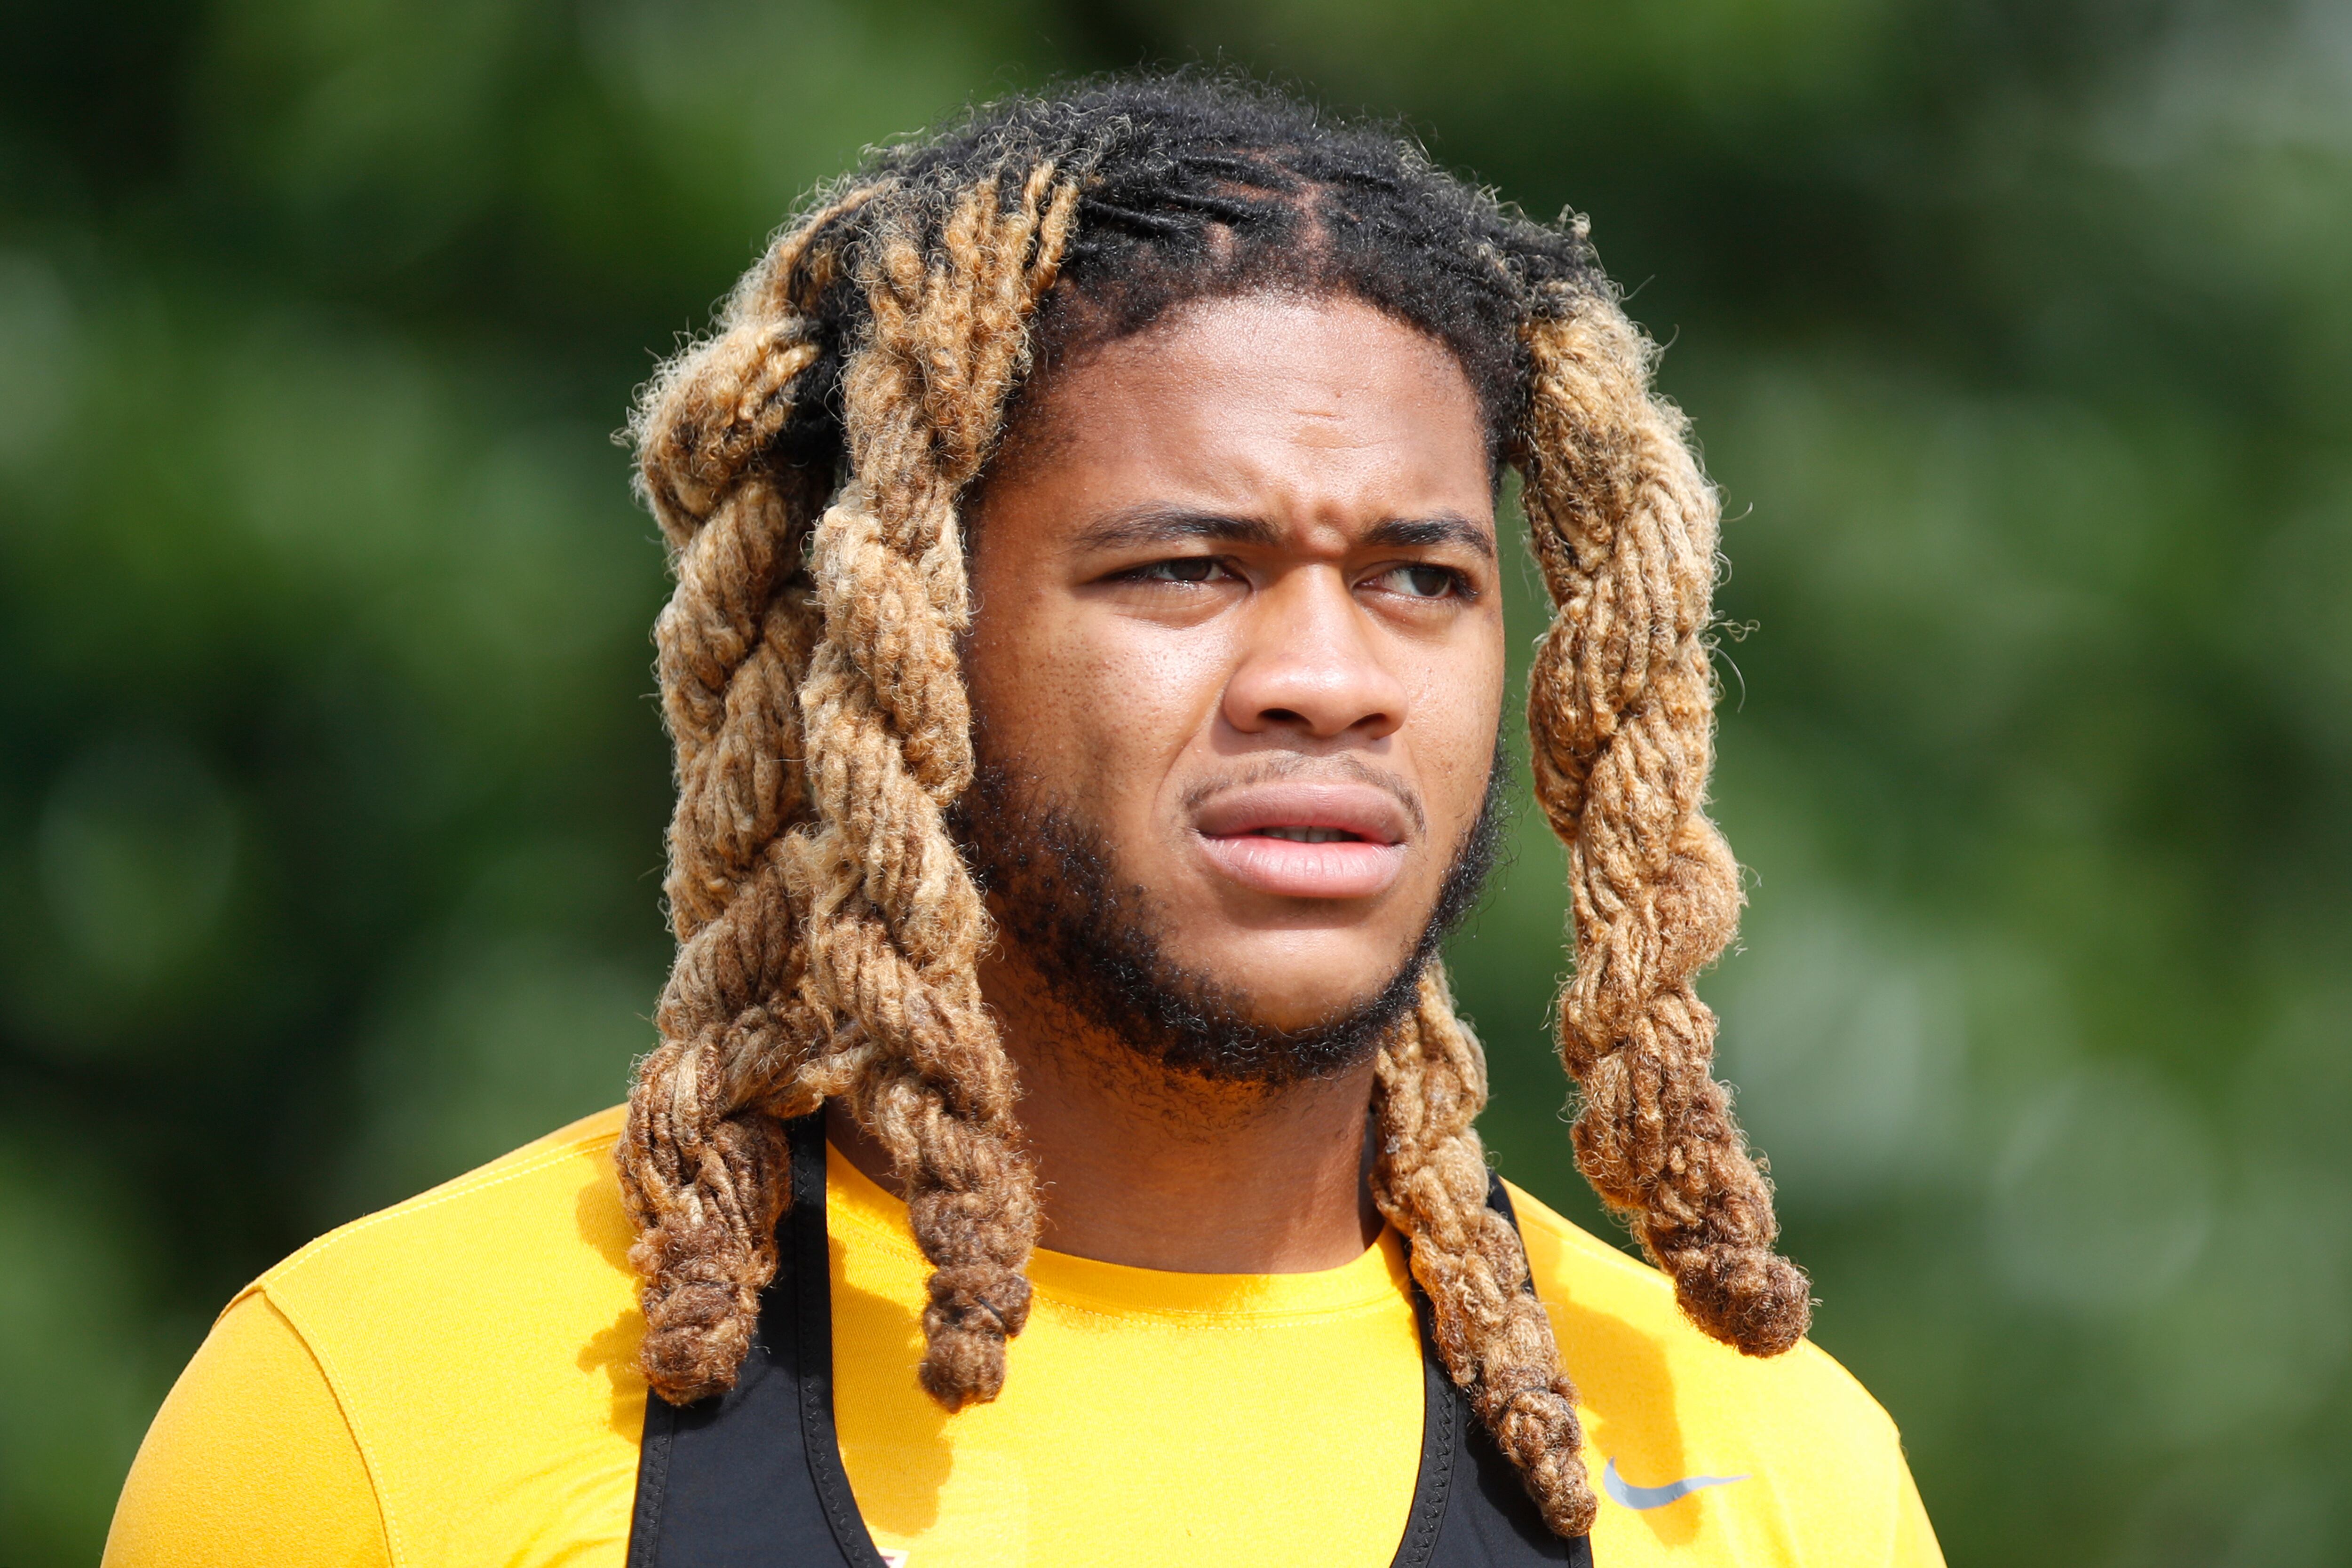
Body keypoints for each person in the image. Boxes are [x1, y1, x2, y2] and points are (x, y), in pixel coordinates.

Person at [104, 76, 1943, 1568]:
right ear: (898, 630)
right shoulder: (386, 1415)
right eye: (1184, 567)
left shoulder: (1763, 1474)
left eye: (1417, 580)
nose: (1326, 678)